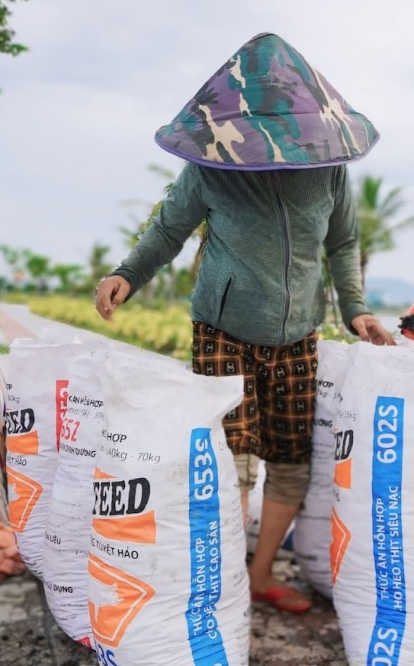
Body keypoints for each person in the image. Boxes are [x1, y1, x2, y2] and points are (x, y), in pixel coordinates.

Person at [95, 32, 395, 615]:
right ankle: (223, 584)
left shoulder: (328, 170)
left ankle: (257, 576)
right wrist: (126, 275)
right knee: (229, 465)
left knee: (289, 463)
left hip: (298, 334)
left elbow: (343, 243)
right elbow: (167, 230)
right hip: (222, 329)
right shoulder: (212, 168)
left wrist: (355, 308)